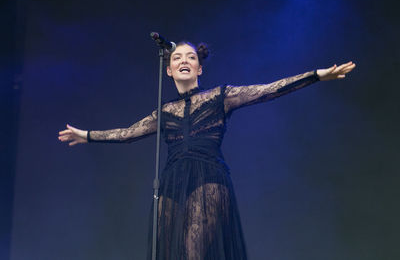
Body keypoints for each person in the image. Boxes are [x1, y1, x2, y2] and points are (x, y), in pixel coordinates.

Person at [58, 41, 356, 259]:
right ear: (169, 70)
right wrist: (86, 135)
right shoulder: (164, 111)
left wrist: (317, 75)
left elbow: (268, 90)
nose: (183, 60)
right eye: (177, 58)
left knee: (193, 253)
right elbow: (126, 134)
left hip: (208, 179)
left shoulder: (220, 97)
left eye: (190, 57)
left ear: (199, 68)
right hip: (173, 182)